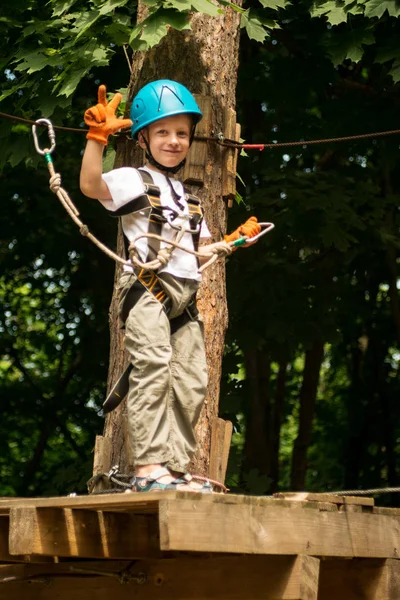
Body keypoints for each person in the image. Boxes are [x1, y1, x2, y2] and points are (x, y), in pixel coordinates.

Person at [80, 80, 261, 492]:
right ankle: (148, 471)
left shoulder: (187, 197)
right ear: (143, 137)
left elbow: (197, 251)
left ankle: (174, 470)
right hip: (147, 288)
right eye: (163, 132)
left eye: (181, 133)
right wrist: (96, 140)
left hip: (183, 297)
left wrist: (230, 241)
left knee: (192, 377)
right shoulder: (131, 179)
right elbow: (91, 186)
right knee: (154, 368)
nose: (174, 141)